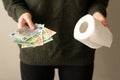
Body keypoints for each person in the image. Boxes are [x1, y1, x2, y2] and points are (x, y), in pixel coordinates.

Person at [2, 0, 109, 80]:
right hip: (33, 40)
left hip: (79, 45)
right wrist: (20, 12)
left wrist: (97, 11)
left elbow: (98, 0)